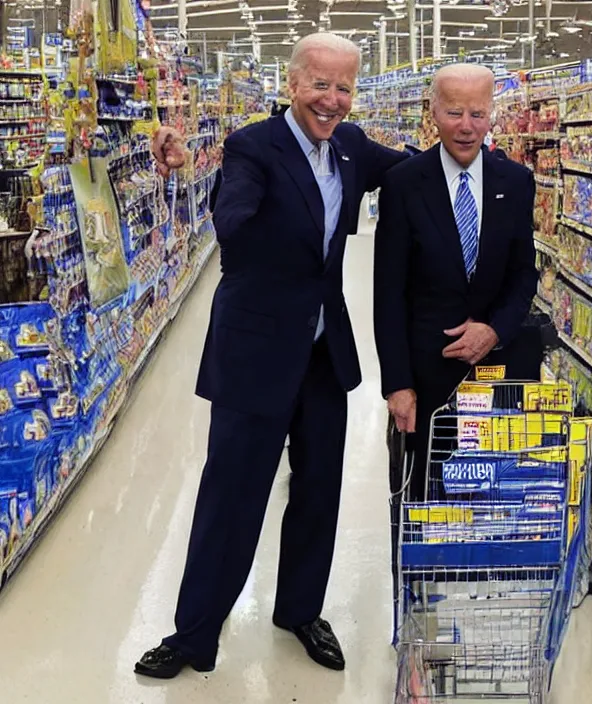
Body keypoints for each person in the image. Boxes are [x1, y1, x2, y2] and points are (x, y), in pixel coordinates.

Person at [135, 32, 406, 680]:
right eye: (321, 84)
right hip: (256, 349)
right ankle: (194, 635)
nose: (333, 99)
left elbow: (413, 173)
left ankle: (300, 611)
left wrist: (478, 153)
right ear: (294, 83)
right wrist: (199, 174)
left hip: (321, 351)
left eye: (344, 87)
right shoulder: (252, 146)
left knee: (319, 488)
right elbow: (231, 222)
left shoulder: (352, 147)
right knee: (231, 494)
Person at [373, 64, 541, 504]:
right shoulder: (403, 183)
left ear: (491, 115)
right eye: (453, 113)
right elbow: (387, 293)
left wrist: (495, 329)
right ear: (433, 114)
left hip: (498, 374)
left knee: (497, 500)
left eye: (477, 114)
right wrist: (397, 384)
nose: (466, 127)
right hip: (427, 377)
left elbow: (524, 272)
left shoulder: (517, 182)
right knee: (426, 502)